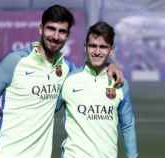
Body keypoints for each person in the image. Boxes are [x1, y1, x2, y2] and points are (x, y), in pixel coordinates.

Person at [0, 5, 124, 158]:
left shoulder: (67, 69)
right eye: (51, 29)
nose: (55, 36)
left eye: (62, 31)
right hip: (4, 153)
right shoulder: (15, 61)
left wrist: (110, 65)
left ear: (67, 35)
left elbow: (89, 74)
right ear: (41, 29)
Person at [57, 21, 138, 158]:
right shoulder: (68, 80)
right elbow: (45, 112)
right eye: (93, 46)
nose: (97, 52)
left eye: (103, 47)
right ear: (85, 48)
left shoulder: (119, 83)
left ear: (111, 50)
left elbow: (127, 126)